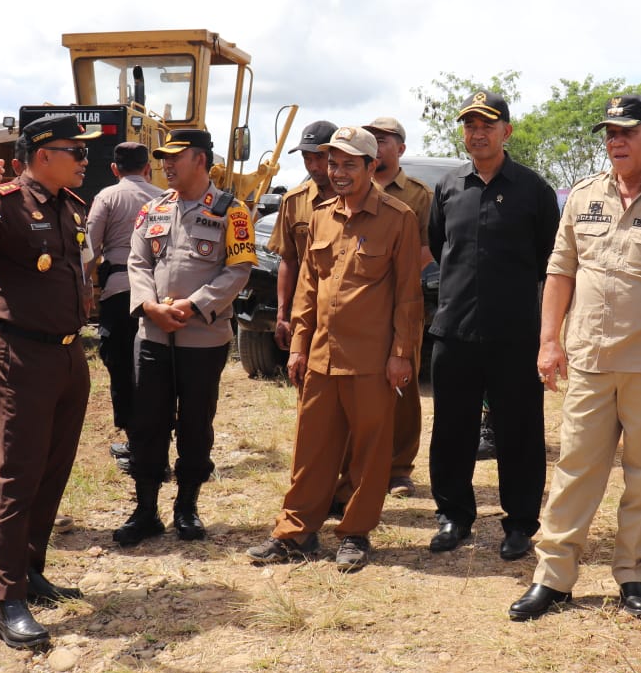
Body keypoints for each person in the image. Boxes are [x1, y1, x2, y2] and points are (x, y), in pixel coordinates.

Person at [508, 95, 641, 622]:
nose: (615, 141)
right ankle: (553, 578)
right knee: (575, 469)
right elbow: (561, 271)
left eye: (627, 131)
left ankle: (633, 574)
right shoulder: (582, 197)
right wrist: (549, 341)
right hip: (589, 361)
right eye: (609, 133)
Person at [0, 113, 101, 651]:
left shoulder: (70, 206)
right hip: (22, 359)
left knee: (53, 470)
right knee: (16, 477)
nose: (84, 160)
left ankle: (32, 570)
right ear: (42, 154)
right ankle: (7, 599)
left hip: (68, 357)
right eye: (74, 151)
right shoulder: (6, 203)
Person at [246, 126, 422, 571]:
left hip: (371, 359)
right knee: (311, 449)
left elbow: (408, 295)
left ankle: (355, 534)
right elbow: (308, 287)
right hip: (321, 355)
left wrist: (402, 353)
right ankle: (295, 533)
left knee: (369, 450)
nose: (338, 172)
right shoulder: (321, 214)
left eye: (349, 163)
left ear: (370, 166)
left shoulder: (398, 217)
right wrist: (298, 346)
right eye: (333, 163)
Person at [426, 91, 559, 560]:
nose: (477, 133)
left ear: (507, 130)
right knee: (452, 429)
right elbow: (438, 243)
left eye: (487, 124)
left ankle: (520, 523)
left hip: (515, 335)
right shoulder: (447, 187)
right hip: (454, 332)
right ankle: (453, 516)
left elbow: (551, 260)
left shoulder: (534, 190)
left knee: (520, 432)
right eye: (469, 125)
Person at [113, 129, 256, 545]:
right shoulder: (153, 208)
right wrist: (149, 305)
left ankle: (187, 507)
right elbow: (136, 263)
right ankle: (145, 510)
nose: (167, 165)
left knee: (196, 425)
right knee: (146, 423)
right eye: (163, 158)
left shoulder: (234, 212)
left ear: (201, 160)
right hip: (153, 336)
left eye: (176, 157)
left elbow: (239, 269)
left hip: (203, 340)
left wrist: (194, 305)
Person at [363, 115, 433, 498]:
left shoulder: (420, 194)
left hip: (402, 300)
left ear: (400, 148)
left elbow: (430, 245)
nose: (376, 143)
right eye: (371, 138)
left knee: (403, 381)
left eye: (383, 139)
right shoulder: (352, 184)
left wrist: (391, 271)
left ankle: (400, 469)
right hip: (360, 306)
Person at [86, 142, 163, 471]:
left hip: (119, 294)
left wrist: (85, 289)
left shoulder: (107, 197)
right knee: (156, 371)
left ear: (115, 170)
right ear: (148, 167)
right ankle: (157, 441)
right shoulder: (163, 199)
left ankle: (135, 442)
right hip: (158, 297)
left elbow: (88, 249)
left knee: (121, 368)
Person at [269, 119, 339, 352]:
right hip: (308, 312)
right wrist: (282, 314)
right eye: (307, 159)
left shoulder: (361, 199)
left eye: (320, 158)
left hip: (353, 314)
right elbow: (288, 260)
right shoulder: (294, 201)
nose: (313, 167)